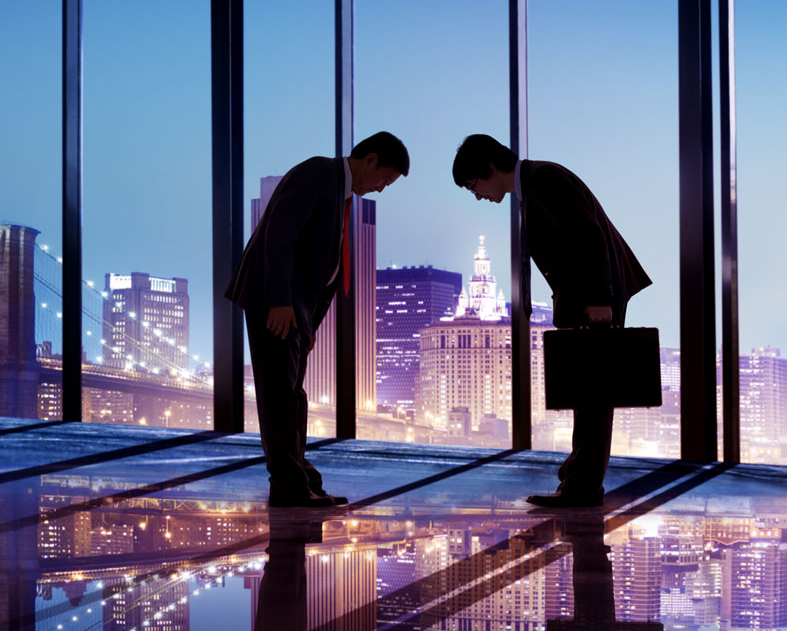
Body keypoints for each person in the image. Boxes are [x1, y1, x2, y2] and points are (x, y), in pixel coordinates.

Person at [452, 134, 651, 508]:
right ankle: (578, 483)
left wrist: (599, 299)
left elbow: (590, 235)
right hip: (591, 296)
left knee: (592, 394)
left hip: (597, 298)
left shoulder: (544, 180)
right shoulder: (535, 182)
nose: (476, 194)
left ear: (489, 168)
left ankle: (581, 487)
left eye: (472, 185)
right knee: (587, 392)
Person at [226, 132, 410, 507]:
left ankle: (301, 479)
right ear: (370, 160)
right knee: (279, 396)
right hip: (274, 302)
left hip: (297, 309)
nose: (381, 189)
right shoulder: (317, 173)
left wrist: (308, 323)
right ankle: (289, 488)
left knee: (292, 394)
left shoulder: (338, 191)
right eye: (385, 180)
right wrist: (279, 301)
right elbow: (279, 236)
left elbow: (324, 268)